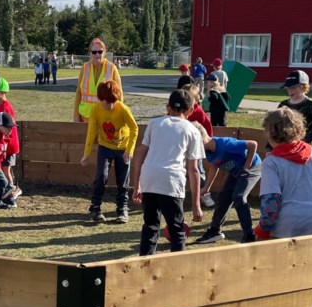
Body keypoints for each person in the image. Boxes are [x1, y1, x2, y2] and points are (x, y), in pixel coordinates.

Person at [130, 89, 205, 256]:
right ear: (191, 111)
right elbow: (194, 170)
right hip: (171, 182)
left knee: (150, 226)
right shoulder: (192, 131)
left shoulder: (154, 124)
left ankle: (145, 267)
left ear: (168, 107)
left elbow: (139, 155)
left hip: (150, 178)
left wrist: (137, 185)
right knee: (177, 229)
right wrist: (196, 205)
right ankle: (177, 271)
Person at [255, 107, 312, 240]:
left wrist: (262, 230)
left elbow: (271, 202)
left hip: (287, 226)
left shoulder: (271, 162)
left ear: (269, 133)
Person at [80, 80, 138, 224]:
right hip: (105, 147)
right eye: (107, 102)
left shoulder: (123, 109)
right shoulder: (96, 110)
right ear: (101, 100)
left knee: (123, 180)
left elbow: (134, 129)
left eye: (113, 101)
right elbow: (91, 133)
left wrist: (130, 150)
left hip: (122, 148)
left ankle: (122, 209)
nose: (110, 105)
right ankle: (95, 207)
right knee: (101, 176)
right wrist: (86, 154)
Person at [194, 128, 261, 245]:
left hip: (252, 167)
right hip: (236, 172)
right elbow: (214, 166)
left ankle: (249, 235)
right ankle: (215, 231)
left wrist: (246, 166)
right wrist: (207, 187)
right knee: (224, 198)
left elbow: (252, 144)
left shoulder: (225, 144)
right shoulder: (209, 152)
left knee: (239, 197)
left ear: (201, 140)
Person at [0, 77, 22, 198]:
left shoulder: (5, 108)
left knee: (5, 167)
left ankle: (12, 189)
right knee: (4, 167)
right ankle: (10, 188)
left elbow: (9, 130)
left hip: (9, 145)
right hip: (4, 144)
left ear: (2, 92)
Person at [74, 37, 122, 122]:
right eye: (94, 52)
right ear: (90, 53)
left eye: (100, 52)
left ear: (104, 52)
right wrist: (76, 115)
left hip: (105, 118)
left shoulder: (112, 68)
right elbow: (79, 92)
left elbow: (119, 94)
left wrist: (118, 115)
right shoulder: (85, 68)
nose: (97, 54)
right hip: (85, 117)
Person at [278, 70, 312, 144]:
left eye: (293, 88)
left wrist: (305, 139)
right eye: (288, 88)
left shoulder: (311, 105)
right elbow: (275, 125)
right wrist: (270, 147)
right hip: (284, 144)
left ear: (303, 87)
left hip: (303, 146)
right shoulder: (283, 105)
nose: (290, 91)